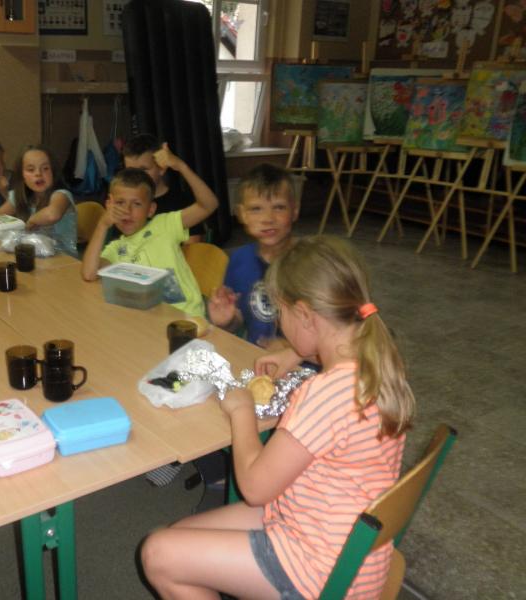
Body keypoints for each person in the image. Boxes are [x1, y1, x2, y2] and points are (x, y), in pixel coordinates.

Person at [141, 236, 415, 600]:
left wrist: (241, 410)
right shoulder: (377, 361)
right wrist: (297, 352)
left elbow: (255, 488)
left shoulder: (325, 394)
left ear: (305, 315)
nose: (280, 324)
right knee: (178, 533)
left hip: (321, 571)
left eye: (281, 313)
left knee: (157, 554)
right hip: (339, 540)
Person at [81, 161, 218, 318]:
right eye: (120, 203)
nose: (127, 211)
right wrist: (103, 224)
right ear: (109, 206)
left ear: (151, 209)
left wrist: (182, 167)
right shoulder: (115, 248)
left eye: (137, 204)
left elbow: (209, 205)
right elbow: (89, 274)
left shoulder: (165, 225)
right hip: (147, 319)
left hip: (186, 317)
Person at [208, 164, 299, 350]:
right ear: (241, 214)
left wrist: (294, 351)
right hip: (255, 358)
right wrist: (227, 321)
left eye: (279, 207)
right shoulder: (239, 260)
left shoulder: (315, 264)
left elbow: (343, 334)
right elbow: (242, 318)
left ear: (295, 210)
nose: (268, 218)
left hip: (306, 365)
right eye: (256, 209)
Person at [0, 145, 78, 258]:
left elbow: (52, 215)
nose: (38, 173)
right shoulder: (19, 197)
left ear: (53, 172)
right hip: (35, 257)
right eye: (31, 170)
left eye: (45, 168)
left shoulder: (62, 195)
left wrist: (32, 221)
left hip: (64, 261)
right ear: (22, 175)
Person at [118, 134, 206, 244]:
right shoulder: (122, 205)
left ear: (161, 169)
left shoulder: (182, 203)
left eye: (144, 170)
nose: (136, 177)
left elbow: (192, 248)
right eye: (130, 171)